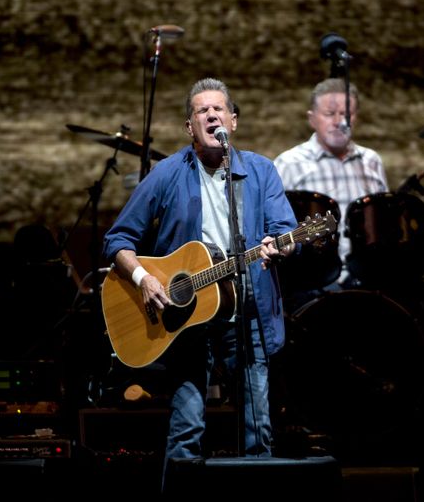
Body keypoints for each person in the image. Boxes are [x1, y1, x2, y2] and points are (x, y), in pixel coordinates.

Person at [102, 77, 298, 491]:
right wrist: (143, 278)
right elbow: (117, 240)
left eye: (218, 109)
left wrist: (276, 246)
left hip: (246, 312)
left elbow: (285, 230)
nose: (210, 115)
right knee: (187, 429)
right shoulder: (168, 173)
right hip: (186, 321)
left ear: (234, 120)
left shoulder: (260, 171)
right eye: (200, 111)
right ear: (190, 127)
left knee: (258, 429)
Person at [273, 77, 389, 294]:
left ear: (356, 118)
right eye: (329, 114)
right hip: (312, 284)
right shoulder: (288, 164)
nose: (339, 122)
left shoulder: (371, 161)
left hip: (369, 281)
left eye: (346, 114)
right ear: (312, 119)